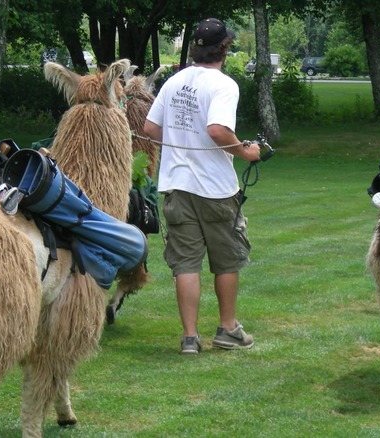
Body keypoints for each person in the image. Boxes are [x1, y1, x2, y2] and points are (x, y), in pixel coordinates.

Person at [143, 18, 262, 354]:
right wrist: (246, 151)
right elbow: (217, 130)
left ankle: (190, 338)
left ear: (195, 48)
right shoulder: (224, 85)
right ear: (224, 48)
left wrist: (181, 142)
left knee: (186, 263)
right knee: (226, 260)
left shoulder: (174, 82)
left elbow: (151, 130)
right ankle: (227, 329)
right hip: (215, 189)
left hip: (177, 187)